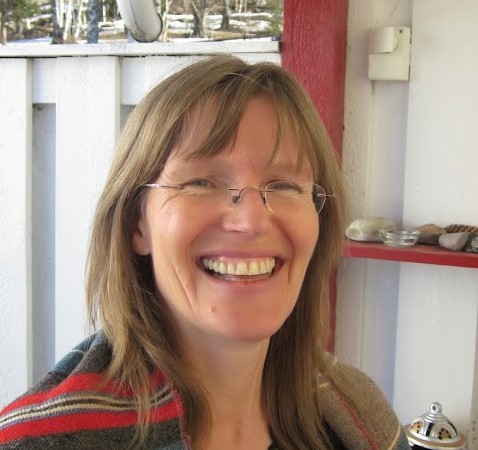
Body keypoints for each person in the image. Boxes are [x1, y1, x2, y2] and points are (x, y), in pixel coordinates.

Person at [0, 55, 410, 450]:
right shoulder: (36, 442)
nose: (251, 221)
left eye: (285, 185)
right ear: (136, 224)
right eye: (201, 183)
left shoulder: (364, 416)